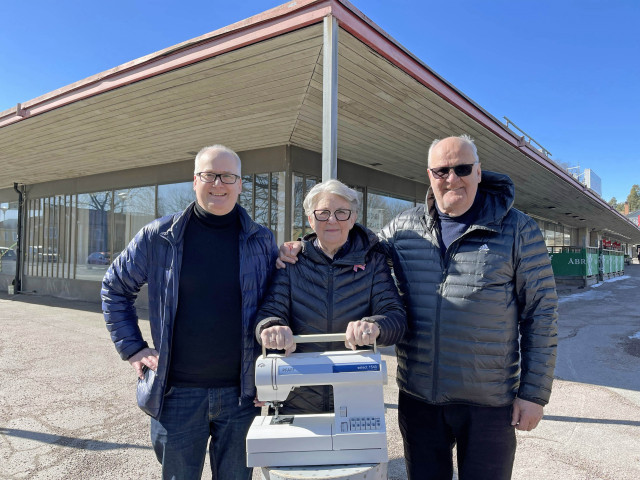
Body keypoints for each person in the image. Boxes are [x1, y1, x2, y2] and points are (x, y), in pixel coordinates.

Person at [279, 135, 558, 479]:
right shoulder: (403, 227)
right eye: (442, 171)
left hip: (488, 403)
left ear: (479, 172)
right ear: (430, 175)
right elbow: (354, 245)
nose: (452, 178)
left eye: (462, 169)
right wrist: (301, 247)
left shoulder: (518, 229)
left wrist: (533, 394)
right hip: (419, 399)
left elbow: (541, 314)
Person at [101, 145, 278, 480]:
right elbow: (114, 287)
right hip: (176, 396)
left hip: (242, 397)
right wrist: (133, 348)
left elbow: (277, 302)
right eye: (209, 174)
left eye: (228, 176)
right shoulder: (159, 236)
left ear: (240, 184)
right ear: (194, 181)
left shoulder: (261, 241)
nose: (218, 184)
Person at [257, 179, 406, 414]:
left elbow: (396, 318)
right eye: (323, 213)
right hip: (298, 399)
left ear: (353, 217)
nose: (332, 220)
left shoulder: (373, 263)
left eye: (341, 212)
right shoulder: (291, 263)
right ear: (310, 219)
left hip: (355, 398)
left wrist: (374, 327)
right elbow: (269, 313)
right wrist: (273, 327)